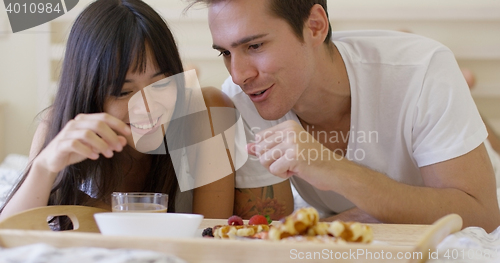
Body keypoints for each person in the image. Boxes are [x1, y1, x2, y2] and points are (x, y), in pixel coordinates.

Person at [188, 0, 500, 232]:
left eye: (254, 45)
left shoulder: (424, 67)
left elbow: (483, 216)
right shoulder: (242, 96)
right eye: (225, 53)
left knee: (414, 72)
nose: (239, 74)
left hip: (482, 163)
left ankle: (464, 91)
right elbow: (275, 232)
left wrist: (334, 168)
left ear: (315, 26)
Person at [0, 0, 236, 223]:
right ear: (89, 95)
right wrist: (43, 168)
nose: (148, 107)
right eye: (123, 92)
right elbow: (9, 237)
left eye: (162, 83)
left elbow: (212, 238)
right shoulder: (59, 126)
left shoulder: (208, 112)